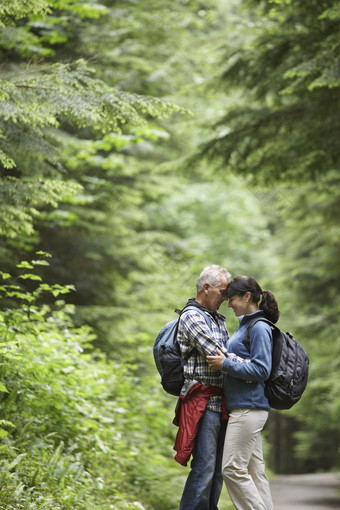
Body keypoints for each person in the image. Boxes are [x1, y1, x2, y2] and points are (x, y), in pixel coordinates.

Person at [207, 275, 280, 510]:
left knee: (231, 468)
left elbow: (261, 370)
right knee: (254, 471)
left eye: (232, 299)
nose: (229, 304)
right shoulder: (247, 326)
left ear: (247, 297)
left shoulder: (258, 328)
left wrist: (224, 364)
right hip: (246, 407)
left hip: (248, 408)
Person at [174, 264, 231, 510]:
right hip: (203, 403)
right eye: (223, 292)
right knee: (204, 469)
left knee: (217, 473)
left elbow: (228, 359)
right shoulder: (192, 316)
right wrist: (255, 367)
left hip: (220, 404)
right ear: (206, 288)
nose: (226, 299)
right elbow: (219, 354)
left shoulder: (218, 319)